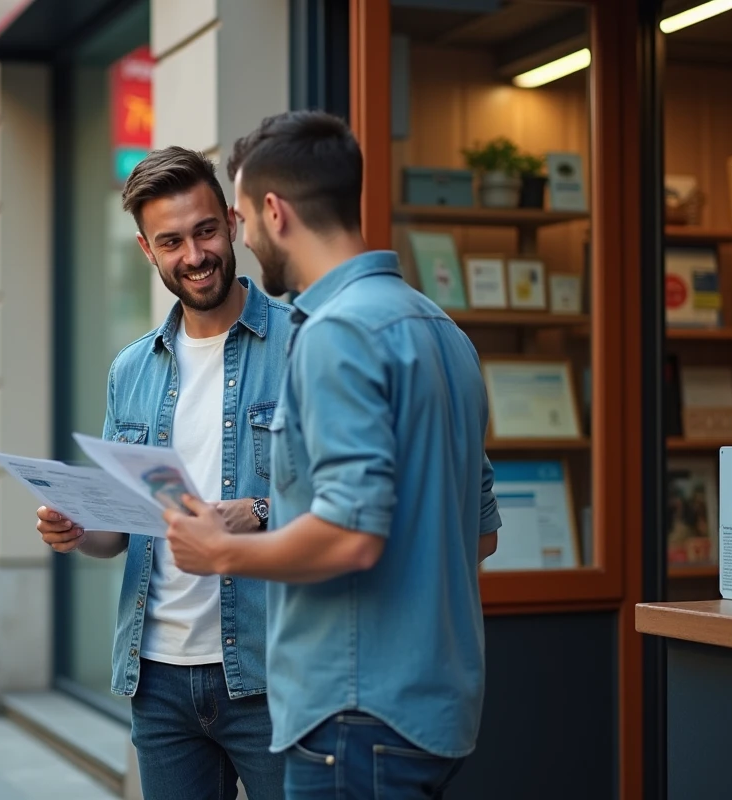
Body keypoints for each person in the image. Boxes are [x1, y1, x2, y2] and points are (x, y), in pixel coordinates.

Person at [162, 111, 503, 800]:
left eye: (241, 221)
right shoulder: (441, 331)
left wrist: (218, 552)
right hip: (433, 710)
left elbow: (351, 535)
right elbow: (483, 535)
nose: (244, 240)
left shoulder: (332, 335)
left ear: (273, 210)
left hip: (353, 715)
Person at [36, 146, 292, 800]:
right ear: (148, 251)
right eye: (171, 241)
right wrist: (78, 526)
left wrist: (258, 514)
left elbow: (348, 504)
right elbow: (120, 532)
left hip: (271, 672)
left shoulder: (301, 341)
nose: (195, 255)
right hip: (159, 679)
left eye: (206, 231)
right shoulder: (132, 369)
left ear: (233, 223)